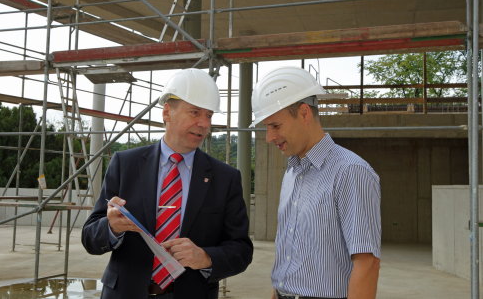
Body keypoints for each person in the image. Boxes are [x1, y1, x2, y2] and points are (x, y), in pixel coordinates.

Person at [82, 68, 253, 299]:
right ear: (167, 112)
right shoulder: (126, 164)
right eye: (195, 112)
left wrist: (205, 257)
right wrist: (111, 228)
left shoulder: (225, 178)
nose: (204, 123)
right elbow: (90, 237)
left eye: (209, 115)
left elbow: (241, 250)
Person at [250, 66, 381, 299]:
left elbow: (366, 263)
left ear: (303, 113)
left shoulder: (350, 172)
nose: (269, 137)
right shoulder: (292, 173)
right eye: (266, 127)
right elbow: (290, 253)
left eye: (275, 126)